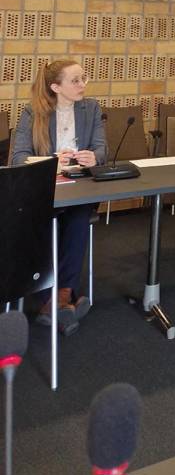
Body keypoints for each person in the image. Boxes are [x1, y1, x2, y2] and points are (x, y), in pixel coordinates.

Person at [12, 59, 106, 336]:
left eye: (83, 78)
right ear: (56, 87)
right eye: (75, 80)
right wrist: (53, 160)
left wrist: (93, 157)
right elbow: (18, 157)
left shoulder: (91, 108)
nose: (82, 85)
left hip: (80, 187)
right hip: (43, 188)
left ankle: (56, 301)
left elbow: (102, 150)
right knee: (45, 222)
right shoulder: (33, 112)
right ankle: (64, 300)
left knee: (78, 218)